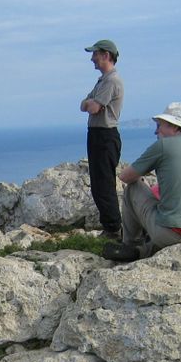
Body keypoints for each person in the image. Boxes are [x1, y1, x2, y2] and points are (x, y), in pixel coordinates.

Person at [102, 102, 181, 261]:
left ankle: (130, 246)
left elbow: (126, 177)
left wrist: (145, 177)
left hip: (174, 234)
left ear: (174, 127)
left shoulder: (163, 146)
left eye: (160, 125)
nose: (156, 131)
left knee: (133, 187)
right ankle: (142, 251)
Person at [80, 39, 125, 238]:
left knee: (104, 184)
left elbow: (93, 107)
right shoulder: (103, 80)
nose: (92, 59)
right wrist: (89, 102)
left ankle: (114, 229)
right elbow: (83, 104)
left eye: (95, 54)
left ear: (106, 55)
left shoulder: (111, 81)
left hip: (105, 136)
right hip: (98, 135)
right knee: (99, 184)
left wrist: (91, 103)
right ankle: (111, 227)